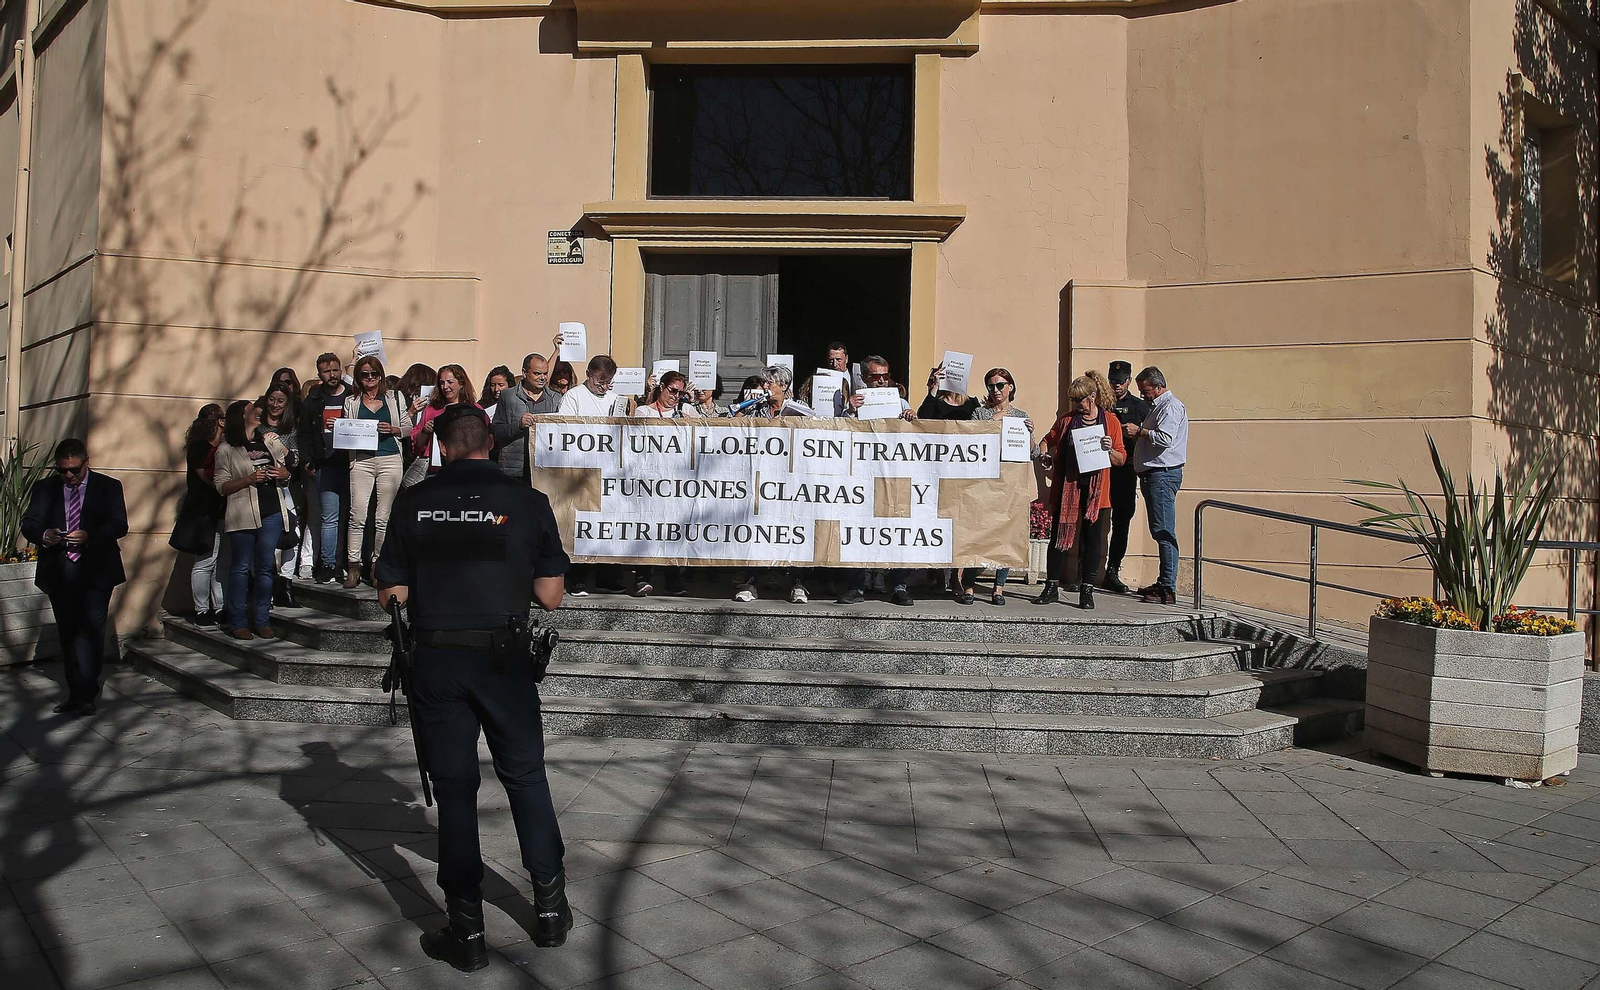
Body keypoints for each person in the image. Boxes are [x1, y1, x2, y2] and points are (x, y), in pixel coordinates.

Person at [374, 404, 572, 970]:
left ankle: (466, 932)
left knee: (455, 792)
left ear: (440, 445)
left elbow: (392, 596)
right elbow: (551, 595)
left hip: (437, 662)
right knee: (527, 779)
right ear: (490, 439)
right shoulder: (527, 502)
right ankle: (551, 913)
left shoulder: (412, 502)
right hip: (504, 661)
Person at [22, 439, 128, 716]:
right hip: (60, 568)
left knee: (92, 629)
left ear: (86, 461)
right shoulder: (46, 488)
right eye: (63, 470)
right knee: (69, 632)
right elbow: (30, 522)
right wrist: (44, 535)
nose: (68, 476)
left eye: (74, 470)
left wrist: (90, 536)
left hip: (96, 568)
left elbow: (119, 524)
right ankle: (75, 691)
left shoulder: (108, 486)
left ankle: (87, 692)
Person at [1037, 373, 1126, 609]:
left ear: (1093, 396)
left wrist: (1109, 450)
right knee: (1058, 537)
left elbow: (1120, 458)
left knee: (1092, 540)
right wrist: (1045, 456)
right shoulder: (1066, 421)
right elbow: (1046, 441)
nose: (1077, 406)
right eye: (1074, 401)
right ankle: (1051, 586)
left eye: (1080, 401)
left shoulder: (1111, 422)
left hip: (1097, 492)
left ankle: (1087, 591)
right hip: (1069, 487)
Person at [213, 400, 294, 638]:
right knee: (240, 568)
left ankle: (262, 620)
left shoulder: (269, 441)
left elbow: (289, 466)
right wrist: (249, 479)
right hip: (242, 514)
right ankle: (238, 621)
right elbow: (221, 486)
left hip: (272, 511)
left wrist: (285, 473)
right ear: (241, 416)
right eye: (251, 409)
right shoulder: (226, 448)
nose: (258, 411)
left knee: (266, 568)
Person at [839, 356, 916, 606]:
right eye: (875, 376)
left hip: (894, 477)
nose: (882, 380)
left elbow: (915, 436)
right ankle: (856, 586)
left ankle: (899, 586)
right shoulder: (855, 403)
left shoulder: (900, 401)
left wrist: (911, 418)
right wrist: (850, 411)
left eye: (885, 375)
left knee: (896, 531)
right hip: (862, 477)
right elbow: (840, 435)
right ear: (864, 377)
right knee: (857, 531)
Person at [958, 369, 1034, 606]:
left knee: (1006, 536)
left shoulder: (1021, 415)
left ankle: (998, 587)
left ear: (1011, 386)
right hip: (982, 484)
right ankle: (969, 586)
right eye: (991, 386)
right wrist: (995, 420)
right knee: (978, 535)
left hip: (1009, 485)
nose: (996, 390)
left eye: (1001, 385)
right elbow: (969, 438)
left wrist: (1029, 434)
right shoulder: (980, 413)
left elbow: (1031, 452)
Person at [344, 355, 412, 588]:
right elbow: (347, 431)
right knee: (358, 515)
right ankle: (353, 565)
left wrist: (393, 429)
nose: (370, 378)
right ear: (358, 377)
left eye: (374, 374)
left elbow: (408, 428)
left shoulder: (394, 397)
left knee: (383, 517)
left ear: (381, 375)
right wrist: (339, 427)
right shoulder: (352, 401)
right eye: (365, 374)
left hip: (390, 458)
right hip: (361, 461)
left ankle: (377, 566)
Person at [1124, 366, 1188, 604]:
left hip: (1162, 475)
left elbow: (1165, 439)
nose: (1144, 395)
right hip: (1155, 475)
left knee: (1163, 531)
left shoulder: (1170, 407)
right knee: (1159, 529)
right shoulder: (1159, 407)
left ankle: (1168, 587)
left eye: (1146, 390)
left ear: (1159, 387)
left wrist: (1139, 431)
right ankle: (1164, 582)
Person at [300, 352, 351, 583]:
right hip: (326, 464)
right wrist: (308, 460)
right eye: (326, 371)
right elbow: (305, 435)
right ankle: (329, 564)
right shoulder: (313, 401)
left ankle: (350, 564)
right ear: (319, 374)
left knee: (354, 517)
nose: (332, 375)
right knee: (329, 518)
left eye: (335, 369)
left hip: (352, 463)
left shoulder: (353, 396)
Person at [1104, 361, 1151, 595]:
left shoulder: (1140, 406)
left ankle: (1113, 570)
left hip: (1125, 472)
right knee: (1092, 519)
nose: (1116, 385)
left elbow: (1150, 437)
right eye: (1113, 380)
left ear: (1129, 381)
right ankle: (1085, 571)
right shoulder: (1100, 403)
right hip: (1101, 470)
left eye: (1121, 381)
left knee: (1121, 522)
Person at [178, 403, 227, 624]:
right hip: (203, 511)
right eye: (222, 418)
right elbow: (208, 479)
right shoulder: (199, 448)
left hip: (221, 508)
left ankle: (219, 607)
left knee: (219, 560)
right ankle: (201, 610)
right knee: (205, 560)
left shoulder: (224, 445)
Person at [259, 382, 305, 606]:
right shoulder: (257, 426)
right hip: (259, 490)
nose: (275, 405)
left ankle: (286, 586)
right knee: (265, 541)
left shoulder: (290, 429)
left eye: (280, 401)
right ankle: (264, 592)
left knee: (291, 535)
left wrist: (284, 456)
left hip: (284, 488)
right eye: (272, 399)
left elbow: (295, 460)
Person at [493, 352, 563, 480]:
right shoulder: (507, 396)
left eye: (545, 373)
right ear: (525, 373)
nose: (542, 377)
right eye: (537, 373)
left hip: (545, 471)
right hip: (514, 470)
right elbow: (496, 432)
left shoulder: (556, 398)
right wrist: (518, 425)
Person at [411, 364, 479, 483]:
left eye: (450, 382)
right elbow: (417, 444)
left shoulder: (475, 410)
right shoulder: (432, 409)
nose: (445, 387)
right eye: (442, 383)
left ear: (462, 383)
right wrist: (425, 431)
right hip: (436, 470)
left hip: (467, 469)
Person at [557, 356, 622, 417]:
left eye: (608, 382)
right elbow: (565, 426)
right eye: (600, 382)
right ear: (588, 375)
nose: (604, 387)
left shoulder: (615, 399)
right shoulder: (573, 397)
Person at [633, 371, 701, 419]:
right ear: (662, 387)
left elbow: (703, 431)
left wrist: (691, 423)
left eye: (680, 393)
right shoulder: (644, 412)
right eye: (673, 391)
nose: (677, 396)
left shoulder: (686, 409)